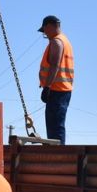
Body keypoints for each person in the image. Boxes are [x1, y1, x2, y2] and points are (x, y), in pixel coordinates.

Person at [36, 15, 74, 144]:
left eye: (44, 30)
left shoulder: (56, 42)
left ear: (49, 26)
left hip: (56, 90)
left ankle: (58, 152)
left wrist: (47, 87)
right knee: (57, 125)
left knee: (55, 128)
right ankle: (58, 150)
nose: (45, 34)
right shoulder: (65, 41)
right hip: (63, 90)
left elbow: (54, 65)